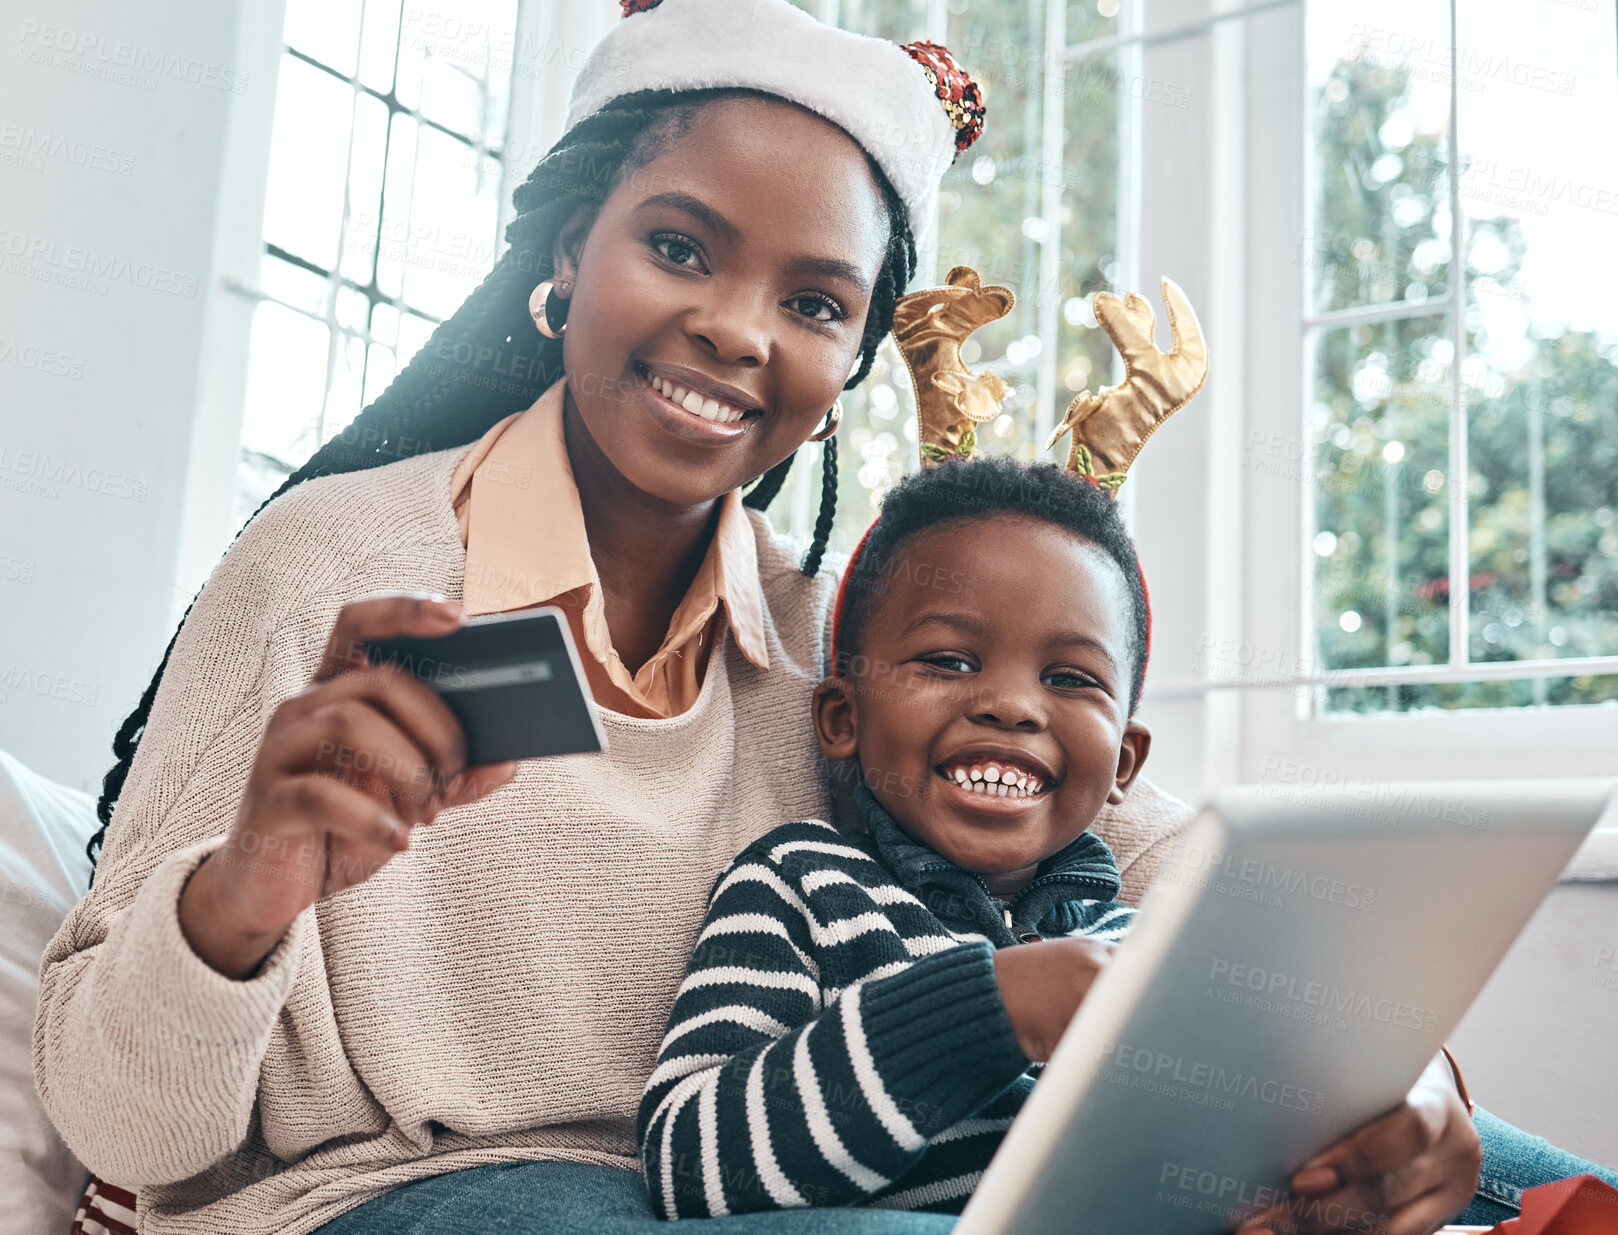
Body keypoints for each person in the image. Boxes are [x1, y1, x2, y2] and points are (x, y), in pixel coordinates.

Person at [640, 454, 1618, 1233]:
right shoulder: (797, 881)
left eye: (1071, 678)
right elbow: (694, 1165)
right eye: (948, 659)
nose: (1012, 704)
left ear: (1123, 764)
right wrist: (996, 1007)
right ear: (842, 718)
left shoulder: (1149, 939)